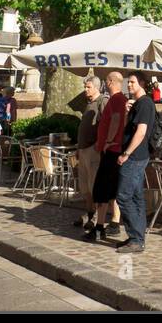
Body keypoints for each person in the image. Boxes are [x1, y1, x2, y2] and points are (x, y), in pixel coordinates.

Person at [114, 74, 156, 254]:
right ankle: (137, 238)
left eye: (132, 82)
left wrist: (126, 153)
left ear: (142, 84)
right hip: (137, 156)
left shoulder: (145, 103)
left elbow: (141, 132)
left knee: (123, 197)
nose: (128, 85)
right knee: (136, 197)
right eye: (128, 82)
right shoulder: (138, 104)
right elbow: (129, 129)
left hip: (135, 157)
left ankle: (136, 238)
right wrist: (127, 112)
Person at [86, 72, 127, 242]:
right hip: (112, 151)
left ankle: (99, 228)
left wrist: (109, 141)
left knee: (102, 189)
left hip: (111, 151)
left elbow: (117, 119)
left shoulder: (117, 99)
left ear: (110, 82)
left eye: (106, 81)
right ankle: (101, 226)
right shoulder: (119, 99)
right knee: (108, 191)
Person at [72, 74, 106, 231]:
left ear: (97, 87)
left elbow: (107, 124)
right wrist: (79, 147)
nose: (85, 89)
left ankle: (98, 217)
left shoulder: (102, 101)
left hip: (94, 150)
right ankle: (90, 212)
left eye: (88, 87)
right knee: (85, 187)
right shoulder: (88, 103)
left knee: (94, 186)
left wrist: (99, 145)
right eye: (85, 87)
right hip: (84, 149)